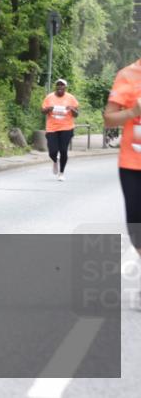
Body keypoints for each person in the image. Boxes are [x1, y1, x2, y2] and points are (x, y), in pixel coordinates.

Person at [102, 58, 141, 305]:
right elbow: (109, 119)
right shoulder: (128, 75)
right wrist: (133, 112)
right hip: (132, 164)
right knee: (136, 226)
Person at [42, 78, 79, 181]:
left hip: (67, 127)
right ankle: (55, 160)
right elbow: (43, 111)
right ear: (56, 87)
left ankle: (61, 173)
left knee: (63, 150)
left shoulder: (71, 98)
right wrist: (49, 109)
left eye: (62, 85)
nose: (60, 87)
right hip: (52, 128)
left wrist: (72, 109)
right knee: (52, 151)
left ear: (65, 87)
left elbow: (76, 114)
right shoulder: (49, 97)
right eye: (58, 85)